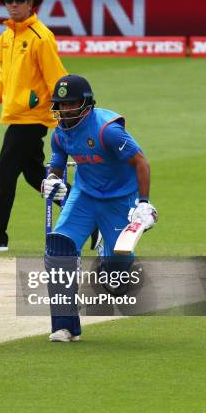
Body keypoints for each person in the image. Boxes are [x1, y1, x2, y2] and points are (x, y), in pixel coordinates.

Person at [41, 74, 158, 342]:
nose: (64, 110)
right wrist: (51, 183)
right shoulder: (60, 133)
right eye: (60, 104)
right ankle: (65, 326)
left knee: (116, 283)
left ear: (86, 104)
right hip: (84, 196)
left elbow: (142, 163)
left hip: (120, 200)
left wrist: (142, 203)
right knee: (59, 248)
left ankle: (109, 252)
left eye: (70, 104)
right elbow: (57, 165)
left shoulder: (108, 130)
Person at [0, 0, 68, 251]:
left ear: (30, 4)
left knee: (4, 174)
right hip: (16, 115)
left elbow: (57, 79)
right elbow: (4, 76)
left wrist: (65, 116)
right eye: (8, 1)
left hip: (32, 118)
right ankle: (89, 213)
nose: (12, 5)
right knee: (37, 177)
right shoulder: (7, 36)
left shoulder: (40, 37)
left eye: (18, 1)